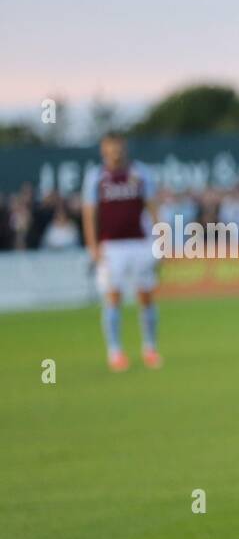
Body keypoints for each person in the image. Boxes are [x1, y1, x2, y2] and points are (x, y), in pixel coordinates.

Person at [81, 134, 162, 370]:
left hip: (139, 243)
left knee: (145, 296)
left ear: (124, 149)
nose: (115, 153)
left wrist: (161, 239)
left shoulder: (140, 174)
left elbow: (153, 208)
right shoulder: (96, 178)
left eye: (118, 148)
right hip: (111, 247)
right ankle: (115, 351)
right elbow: (90, 214)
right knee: (113, 297)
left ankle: (150, 348)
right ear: (103, 151)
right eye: (110, 149)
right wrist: (93, 246)